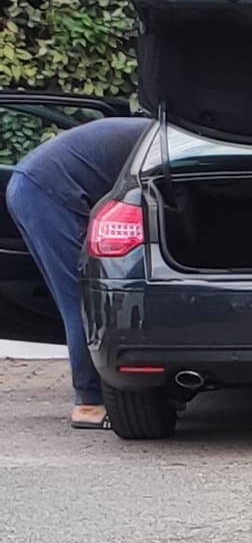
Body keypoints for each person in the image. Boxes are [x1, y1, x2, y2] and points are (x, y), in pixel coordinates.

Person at [8, 113, 151, 430]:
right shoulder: (157, 146)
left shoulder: (147, 133)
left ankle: (94, 389)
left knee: (76, 296)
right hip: (45, 192)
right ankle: (88, 403)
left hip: (33, 185)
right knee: (83, 299)